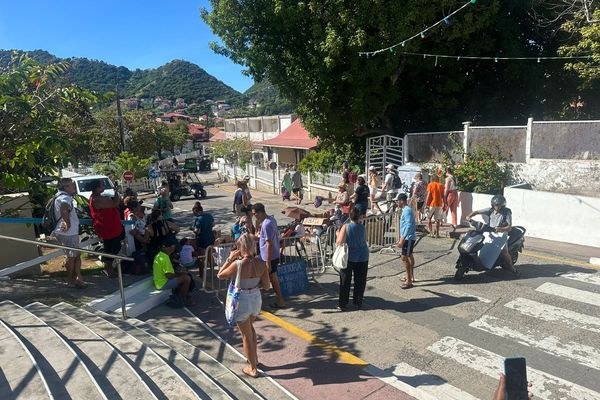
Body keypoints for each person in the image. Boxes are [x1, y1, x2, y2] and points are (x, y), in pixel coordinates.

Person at [217, 233, 270, 378]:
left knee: (245, 335)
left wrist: (229, 258)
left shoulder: (237, 264)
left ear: (240, 247)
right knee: (250, 329)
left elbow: (220, 275)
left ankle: (252, 367)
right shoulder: (262, 263)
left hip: (242, 300)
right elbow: (266, 286)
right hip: (255, 298)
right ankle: (255, 359)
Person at [466, 195, 519, 275]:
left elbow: (509, 227)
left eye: (499, 205)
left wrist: (500, 229)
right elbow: (477, 212)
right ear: (492, 205)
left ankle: (511, 267)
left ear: (503, 205)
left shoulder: (506, 213)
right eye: (495, 205)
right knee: (479, 244)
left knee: (504, 252)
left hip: (501, 234)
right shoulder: (490, 210)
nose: (497, 207)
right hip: (490, 232)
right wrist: (469, 216)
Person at [335, 207, 369, 311]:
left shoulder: (346, 226)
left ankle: (343, 303)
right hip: (363, 255)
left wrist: (337, 233)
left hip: (350, 256)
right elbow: (365, 239)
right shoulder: (362, 227)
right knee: (360, 280)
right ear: (359, 217)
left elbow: (339, 242)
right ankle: (358, 302)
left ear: (350, 216)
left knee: (345, 280)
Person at [252, 203, 285, 308]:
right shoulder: (271, 220)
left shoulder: (266, 224)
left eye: (255, 214)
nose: (254, 216)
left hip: (269, 256)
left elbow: (269, 243)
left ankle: (279, 300)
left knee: (272, 278)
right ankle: (277, 299)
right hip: (269, 255)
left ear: (260, 212)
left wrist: (268, 261)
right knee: (268, 277)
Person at [53, 178, 85, 288]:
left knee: (74, 256)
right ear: (66, 187)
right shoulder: (65, 197)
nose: (74, 188)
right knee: (72, 257)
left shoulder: (57, 196)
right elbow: (64, 208)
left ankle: (76, 278)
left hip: (63, 232)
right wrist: (68, 223)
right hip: (69, 233)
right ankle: (71, 281)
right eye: (72, 186)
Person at [89, 179, 123, 278]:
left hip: (109, 225)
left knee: (111, 246)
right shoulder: (97, 199)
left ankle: (108, 267)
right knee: (113, 246)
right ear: (97, 187)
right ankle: (107, 267)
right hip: (106, 226)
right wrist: (116, 191)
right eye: (102, 185)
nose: (104, 187)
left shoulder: (98, 197)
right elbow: (115, 203)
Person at [153, 238, 193, 305]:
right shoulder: (164, 258)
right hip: (163, 283)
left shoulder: (160, 255)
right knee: (186, 278)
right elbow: (168, 276)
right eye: (172, 247)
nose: (173, 249)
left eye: (173, 247)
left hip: (160, 281)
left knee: (184, 275)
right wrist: (180, 274)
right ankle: (182, 299)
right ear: (165, 247)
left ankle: (183, 294)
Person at [395, 193, 417, 289]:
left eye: (397, 201)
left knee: (404, 258)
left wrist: (402, 239)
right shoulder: (405, 210)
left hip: (408, 238)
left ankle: (409, 281)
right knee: (410, 256)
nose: (396, 202)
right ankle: (410, 276)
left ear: (402, 201)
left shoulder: (407, 210)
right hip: (408, 237)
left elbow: (408, 225)